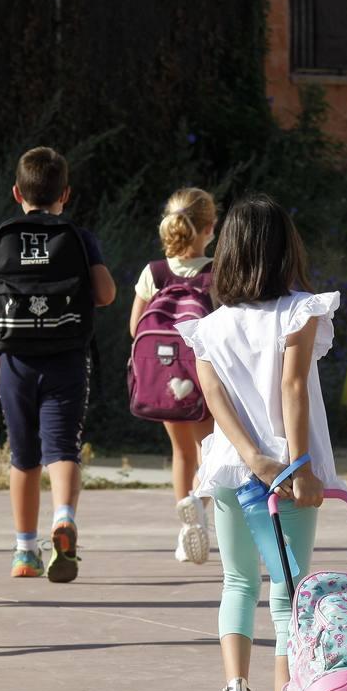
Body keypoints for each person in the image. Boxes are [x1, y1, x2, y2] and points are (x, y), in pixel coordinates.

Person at [178, 193, 340, 691]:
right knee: (287, 597)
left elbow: (215, 402)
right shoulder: (299, 311)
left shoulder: (210, 329)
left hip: (228, 468)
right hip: (288, 473)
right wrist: (293, 467)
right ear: (283, 249)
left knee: (238, 582)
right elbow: (293, 388)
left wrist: (251, 458)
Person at [0, 146, 116, 581]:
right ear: (64, 194)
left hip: (14, 358)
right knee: (63, 448)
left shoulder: (1, 235)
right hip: (67, 355)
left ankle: (24, 551)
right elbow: (105, 295)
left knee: (23, 455)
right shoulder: (80, 237)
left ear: (16, 192)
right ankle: (63, 517)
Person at [129, 187, 216, 564]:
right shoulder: (218, 271)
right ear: (210, 227)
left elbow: (136, 327)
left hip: (165, 378)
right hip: (204, 379)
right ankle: (198, 507)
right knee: (210, 455)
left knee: (181, 452)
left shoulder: (154, 272)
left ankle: (185, 530)